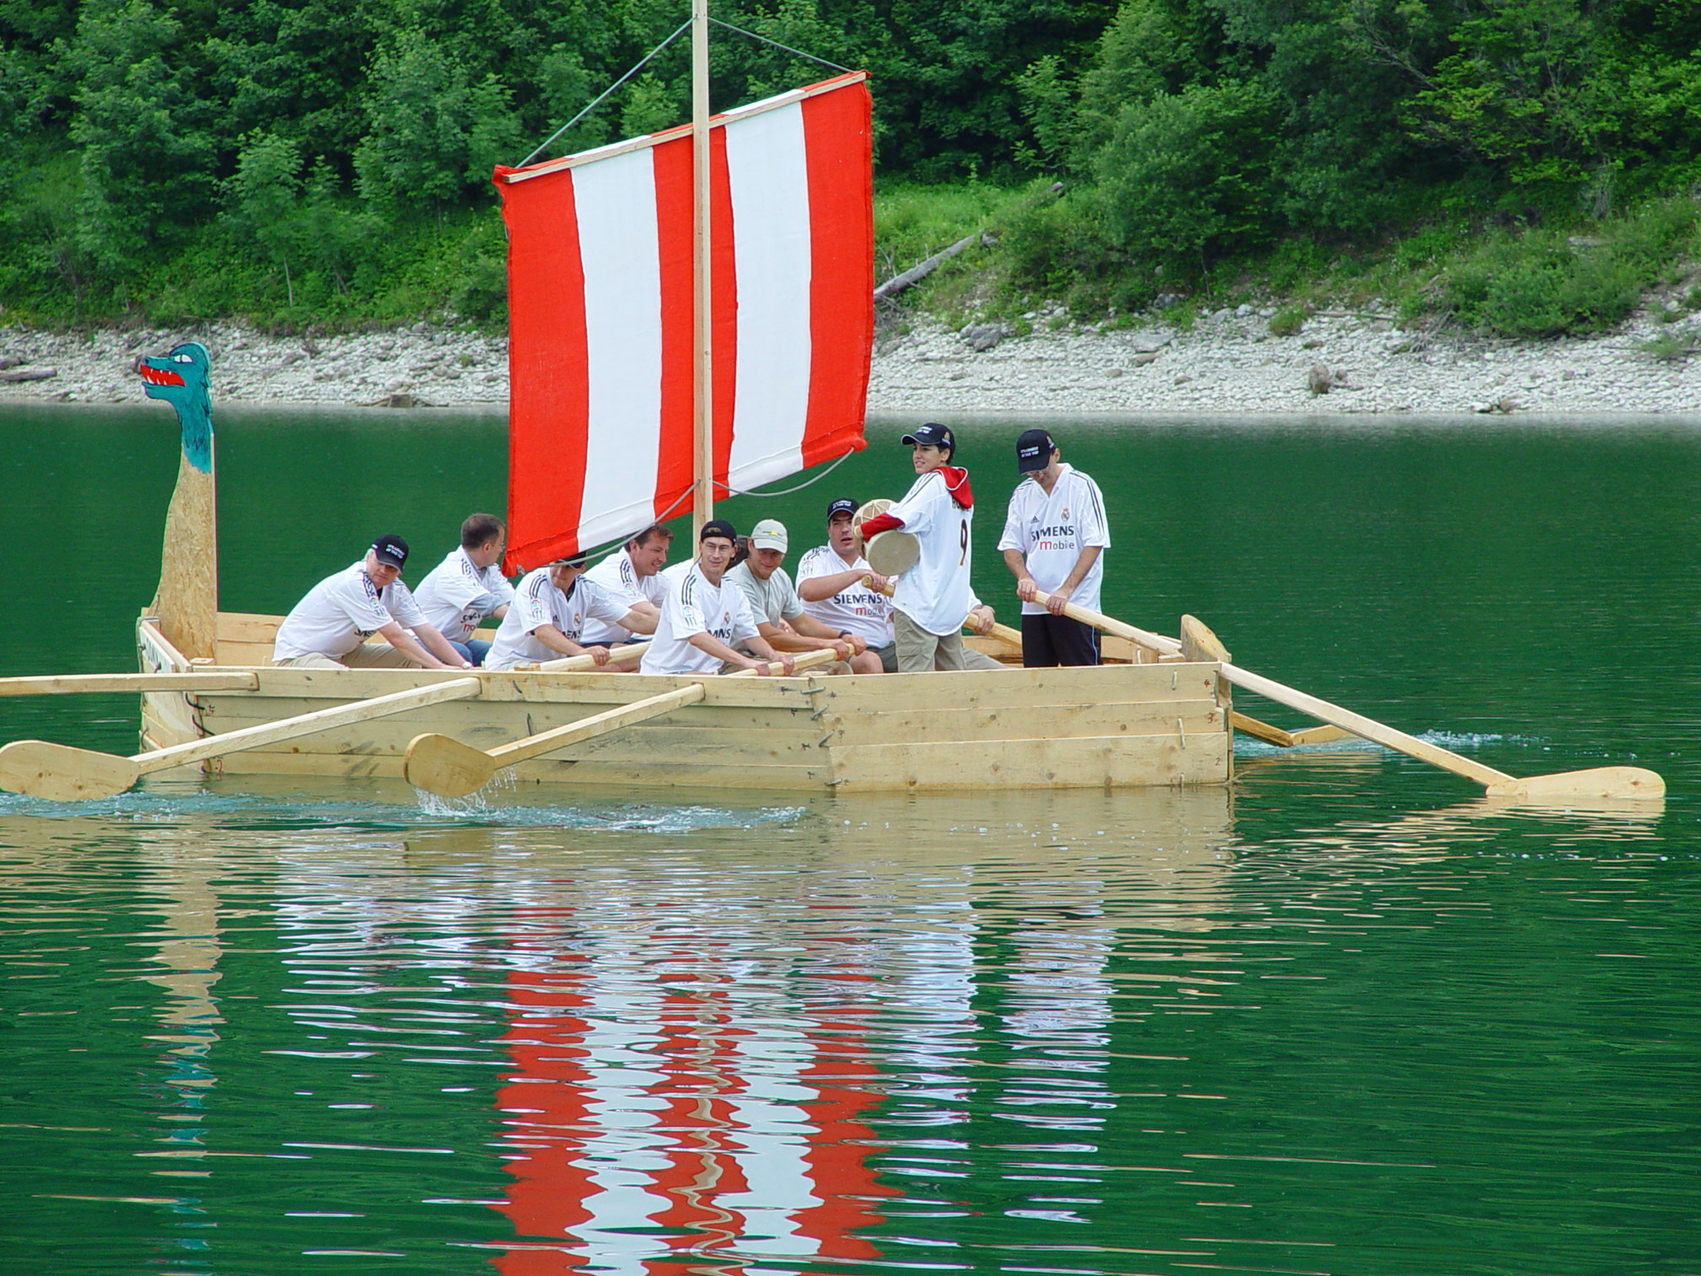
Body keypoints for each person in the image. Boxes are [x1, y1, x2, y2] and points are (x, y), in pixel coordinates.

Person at [855, 423, 980, 673]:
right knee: (953, 684)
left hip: (920, 604)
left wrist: (862, 531)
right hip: (951, 605)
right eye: (914, 448)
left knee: (915, 685)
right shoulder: (962, 493)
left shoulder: (933, 483)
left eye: (926, 448)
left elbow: (899, 518)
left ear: (944, 454)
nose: (917, 454)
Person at [271, 535, 473, 670]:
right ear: (369, 556)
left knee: (409, 660)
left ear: (399, 572)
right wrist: (441, 668)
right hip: (298, 658)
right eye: (380, 563)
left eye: (391, 568)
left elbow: (427, 632)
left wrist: (464, 668)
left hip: (342, 655)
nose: (383, 571)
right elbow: (395, 636)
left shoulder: (396, 590)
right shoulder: (353, 582)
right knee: (344, 678)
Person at [999, 428, 1111, 667]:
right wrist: (1024, 577)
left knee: (1082, 678)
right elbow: (1010, 546)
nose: (1037, 474)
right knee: (1038, 680)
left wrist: (1066, 590)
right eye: (1030, 470)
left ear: (1056, 454)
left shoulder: (1082, 486)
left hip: (1077, 604)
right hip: (1035, 606)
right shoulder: (1022, 493)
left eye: (1041, 467)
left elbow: (1095, 542)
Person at [640, 520, 794, 677]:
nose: (716, 555)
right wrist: (746, 662)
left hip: (707, 674)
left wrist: (774, 657)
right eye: (711, 547)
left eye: (723, 548)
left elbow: (750, 635)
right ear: (700, 546)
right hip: (665, 673)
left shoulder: (733, 590)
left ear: (733, 551)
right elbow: (697, 637)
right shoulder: (684, 585)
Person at [725, 518, 875, 672]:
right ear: (750, 545)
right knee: (813, 677)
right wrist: (826, 643)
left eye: (774, 553)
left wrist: (842, 635)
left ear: (784, 553)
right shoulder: (738, 582)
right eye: (763, 552)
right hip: (734, 660)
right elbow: (768, 636)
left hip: (764, 657)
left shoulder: (780, 576)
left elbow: (802, 623)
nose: (768, 559)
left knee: (840, 669)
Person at [484, 553, 656, 671]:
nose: (559, 572)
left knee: (627, 664)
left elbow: (633, 620)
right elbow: (543, 631)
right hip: (511, 664)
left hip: (554, 664)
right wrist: (581, 652)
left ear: (581, 568)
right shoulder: (535, 584)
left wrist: (673, 627)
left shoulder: (587, 588)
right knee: (607, 671)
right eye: (557, 563)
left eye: (568, 567)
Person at [797, 498, 901, 671]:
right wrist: (858, 574)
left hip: (883, 647)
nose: (845, 529)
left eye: (851, 522)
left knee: (925, 654)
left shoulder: (879, 559)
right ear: (828, 530)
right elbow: (807, 591)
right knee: (869, 661)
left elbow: (895, 615)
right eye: (837, 524)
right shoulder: (817, 557)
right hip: (836, 649)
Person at [413, 512, 516, 666]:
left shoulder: (490, 570)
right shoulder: (452, 572)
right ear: (487, 547)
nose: (501, 550)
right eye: (500, 544)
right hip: (420, 642)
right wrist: (533, 625)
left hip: (457, 641)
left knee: (503, 655)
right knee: (462, 653)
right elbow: (490, 605)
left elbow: (514, 601)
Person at [580, 523, 673, 646]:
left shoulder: (653, 576)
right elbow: (646, 616)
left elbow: (678, 605)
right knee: (653, 657)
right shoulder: (614, 572)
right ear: (634, 546)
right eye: (656, 550)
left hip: (612, 644)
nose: (663, 558)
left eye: (665, 551)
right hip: (581, 646)